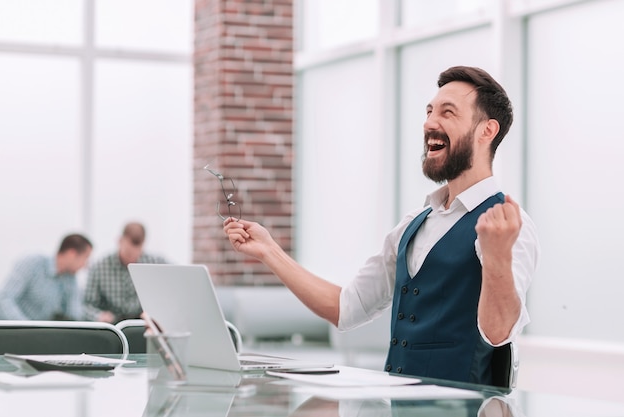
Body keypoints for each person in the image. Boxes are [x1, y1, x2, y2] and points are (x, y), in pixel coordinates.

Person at [223, 66, 540, 385]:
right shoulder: (412, 226)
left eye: (448, 112)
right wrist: (268, 251)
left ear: (487, 131)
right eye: (429, 111)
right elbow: (345, 309)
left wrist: (498, 256)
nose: (430, 122)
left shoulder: (509, 225)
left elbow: (499, 334)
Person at [83, 222, 167, 323]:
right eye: (128, 253)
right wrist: (98, 316)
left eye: (137, 254)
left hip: (143, 326)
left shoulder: (156, 264)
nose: (132, 258)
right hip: (111, 328)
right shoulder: (99, 267)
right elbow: (86, 305)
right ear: (119, 241)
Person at [0, 233, 93, 321]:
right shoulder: (32, 264)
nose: (85, 265)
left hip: (41, 336)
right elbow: (4, 299)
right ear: (72, 254)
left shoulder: (70, 279)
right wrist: (27, 328)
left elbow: (74, 314)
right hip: (13, 333)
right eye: (86, 258)